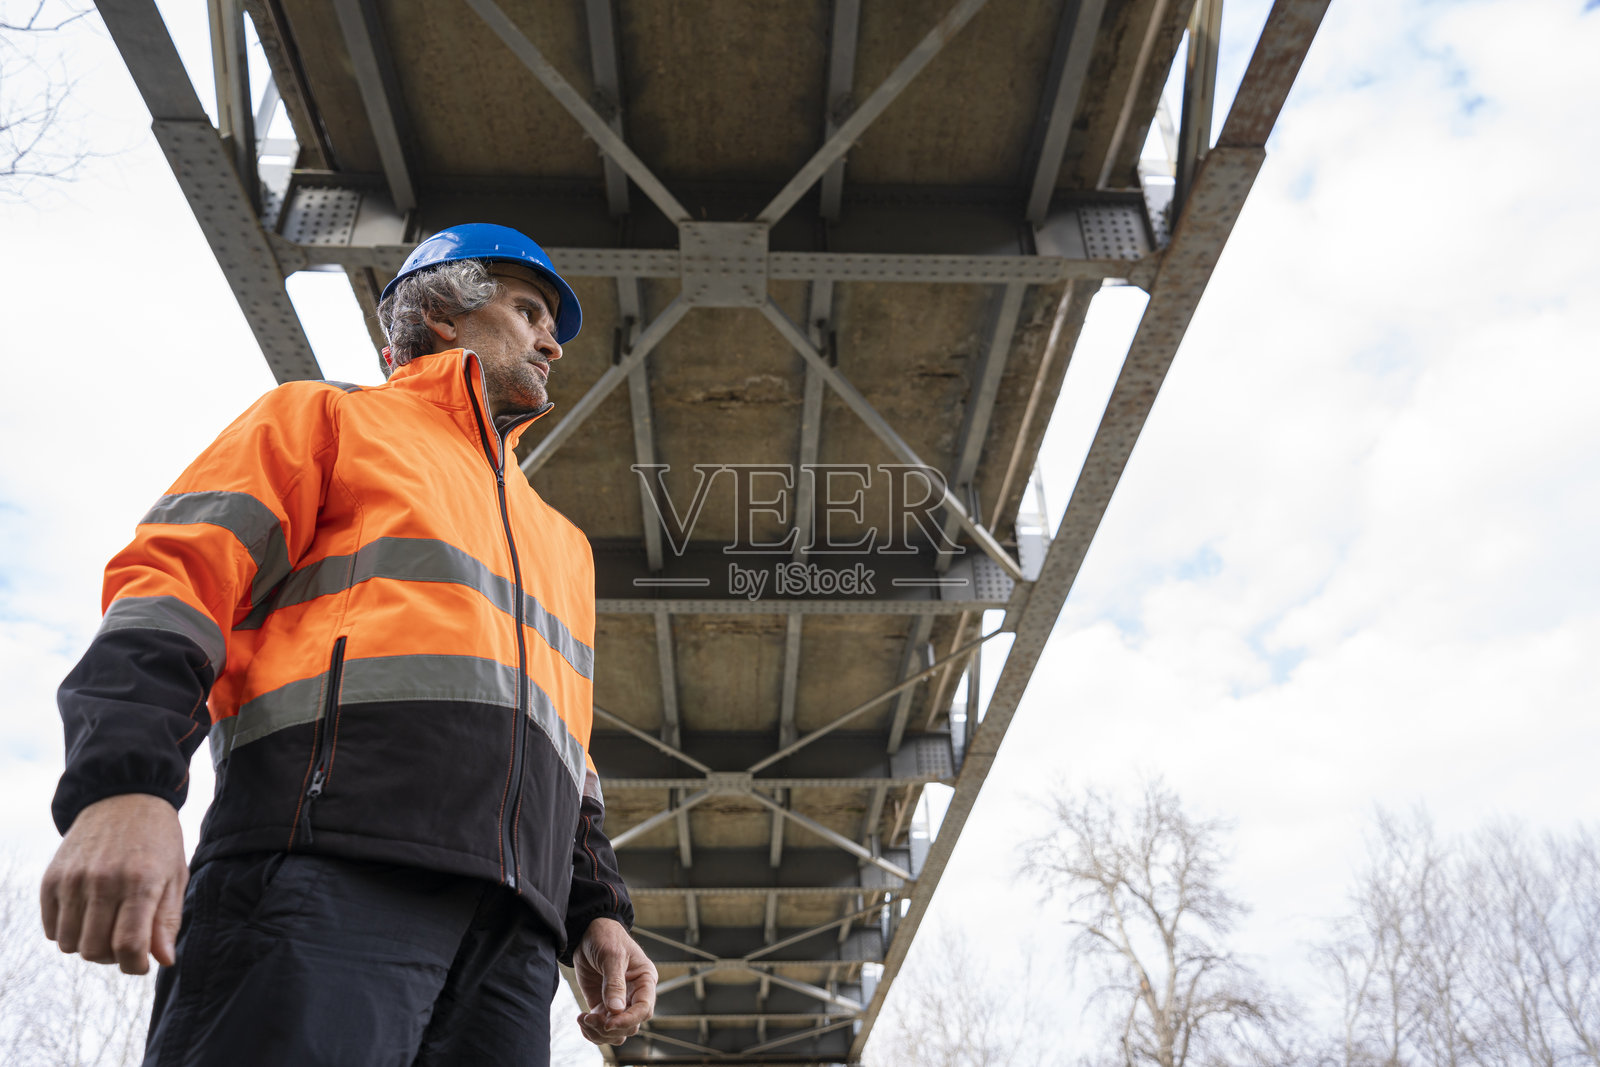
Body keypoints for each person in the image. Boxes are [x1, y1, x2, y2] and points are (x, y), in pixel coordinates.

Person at [39, 223, 656, 1065]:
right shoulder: (321, 419)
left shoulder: (562, 542)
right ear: (444, 312)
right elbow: (172, 588)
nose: (553, 340)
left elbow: (569, 754)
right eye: (529, 309)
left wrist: (598, 910)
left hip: (511, 944)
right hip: (322, 874)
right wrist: (125, 788)